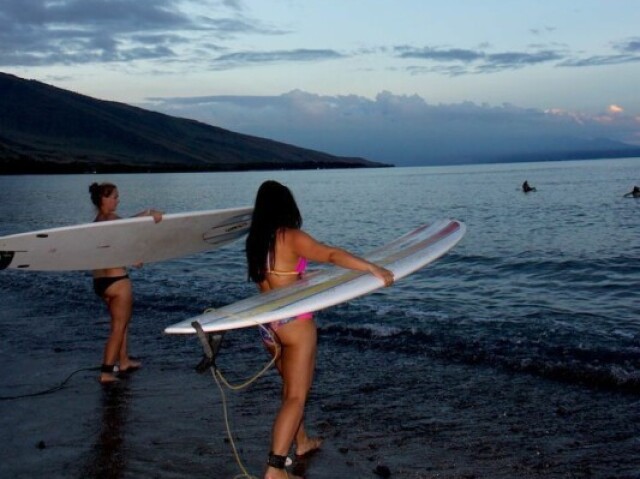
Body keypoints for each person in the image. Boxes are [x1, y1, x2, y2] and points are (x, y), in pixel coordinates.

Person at [245, 180, 394, 479]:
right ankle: (274, 470)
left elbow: (276, 278)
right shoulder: (290, 235)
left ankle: (301, 442)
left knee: (289, 390)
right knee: (296, 396)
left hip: (267, 326)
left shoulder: (255, 240)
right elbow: (331, 254)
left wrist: (301, 276)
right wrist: (371, 268)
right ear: (286, 205)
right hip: (294, 326)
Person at [89, 182, 163, 384]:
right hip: (118, 282)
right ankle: (106, 372)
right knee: (118, 327)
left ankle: (123, 361)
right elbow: (130, 229)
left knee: (120, 323)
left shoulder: (95, 222)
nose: (117, 200)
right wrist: (150, 214)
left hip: (100, 281)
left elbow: (111, 244)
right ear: (103, 199)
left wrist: (130, 256)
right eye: (113, 196)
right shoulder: (112, 219)